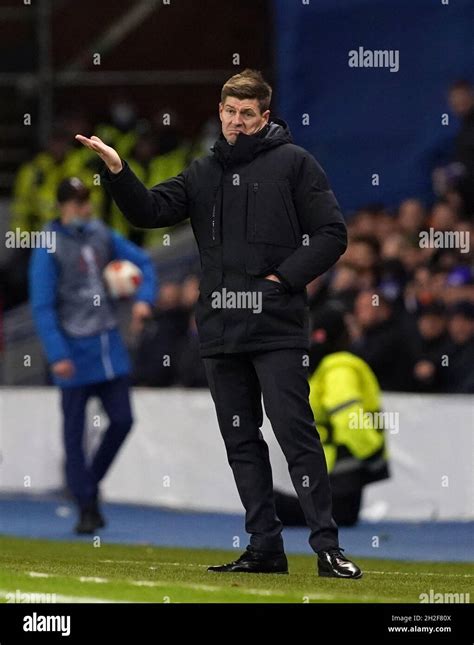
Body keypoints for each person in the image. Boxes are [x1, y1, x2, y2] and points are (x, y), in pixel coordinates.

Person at [76, 69, 362, 578]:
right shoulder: (203, 172)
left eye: (246, 114)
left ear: (264, 116)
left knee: (295, 435)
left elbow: (332, 234)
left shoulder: (296, 164)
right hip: (220, 331)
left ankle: (327, 548)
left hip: (276, 327)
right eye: (229, 113)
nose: (235, 123)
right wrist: (118, 171)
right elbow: (150, 210)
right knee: (241, 441)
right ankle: (264, 546)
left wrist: (280, 281)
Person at [29, 178, 156, 534]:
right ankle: (87, 507)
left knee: (123, 420)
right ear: (62, 206)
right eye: (76, 203)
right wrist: (57, 353)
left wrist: (144, 299)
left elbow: (144, 262)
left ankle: (87, 485)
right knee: (73, 433)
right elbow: (42, 306)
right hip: (72, 348)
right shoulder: (47, 248)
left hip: (108, 345)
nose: (83, 208)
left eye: (86, 201)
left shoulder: (102, 234)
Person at [275, 306, 390, 527]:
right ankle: (270, 503)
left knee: (338, 515)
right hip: (345, 462)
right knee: (339, 516)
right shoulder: (340, 368)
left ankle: (269, 504)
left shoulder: (320, 368)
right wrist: (373, 455)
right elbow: (348, 418)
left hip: (327, 460)